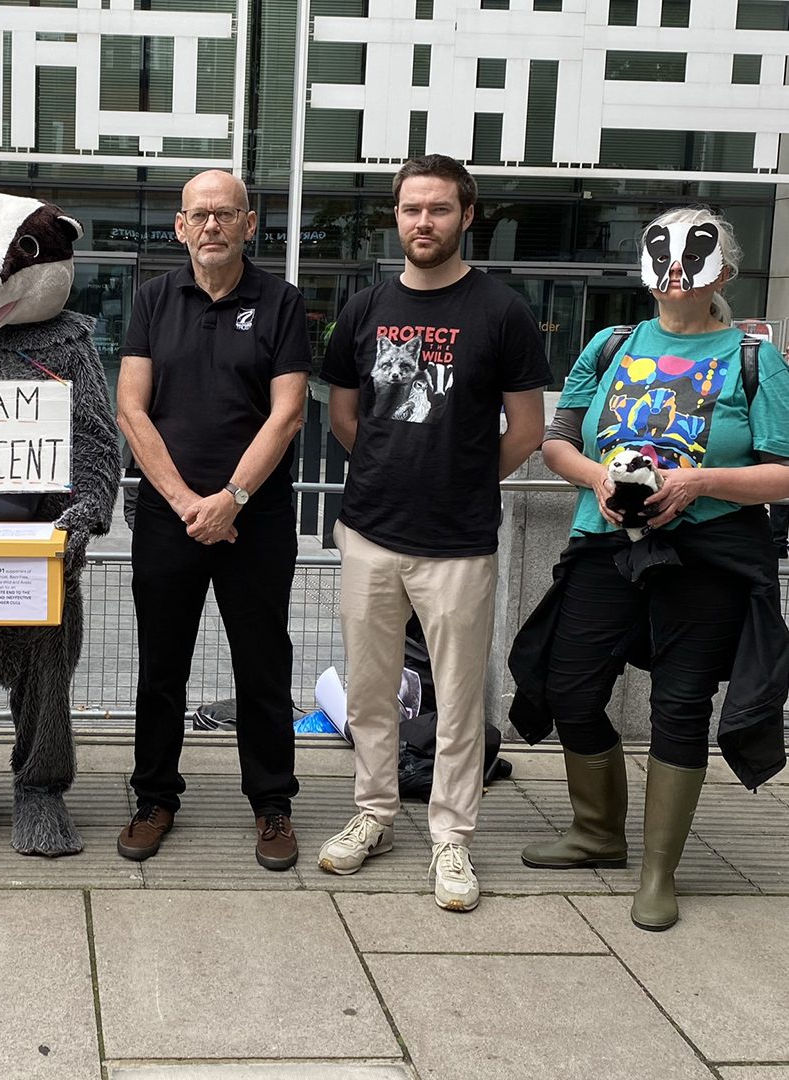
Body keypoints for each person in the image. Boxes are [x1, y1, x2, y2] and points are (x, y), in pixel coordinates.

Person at [509, 207, 789, 932]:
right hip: (605, 545)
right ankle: (597, 831)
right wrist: (600, 479)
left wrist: (699, 484)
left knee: (681, 701)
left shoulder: (755, 358)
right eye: (660, 250)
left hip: (707, 556)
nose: (673, 268)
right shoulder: (610, 345)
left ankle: (658, 871)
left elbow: (784, 473)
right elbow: (559, 443)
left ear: (722, 270)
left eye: (692, 253)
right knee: (568, 684)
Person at [317, 154, 550, 912]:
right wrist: (392, 469)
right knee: (371, 692)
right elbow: (345, 418)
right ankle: (376, 814)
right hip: (371, 533)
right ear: (398, 215)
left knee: (456, 698)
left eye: (439, 209)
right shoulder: (364, 309)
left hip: (459, 542)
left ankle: (452, 837)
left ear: (466, 215)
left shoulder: (502, 313)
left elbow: (528, 428)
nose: (424, 222)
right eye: (412, 209)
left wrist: (462, 477)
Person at [115, 169, 311, 871]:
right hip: (170, 518)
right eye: (199, 215)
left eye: (226, 214)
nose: (211, 226)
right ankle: (155, 797)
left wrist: (231, 498)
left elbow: (287, 413)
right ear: (180, 226)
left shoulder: (283, 303)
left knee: (263, 665)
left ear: (249, 224)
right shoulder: (151, 301)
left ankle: (272, 804)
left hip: (254, 518)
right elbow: (132, 409)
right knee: (160, 667)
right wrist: (185, 504)